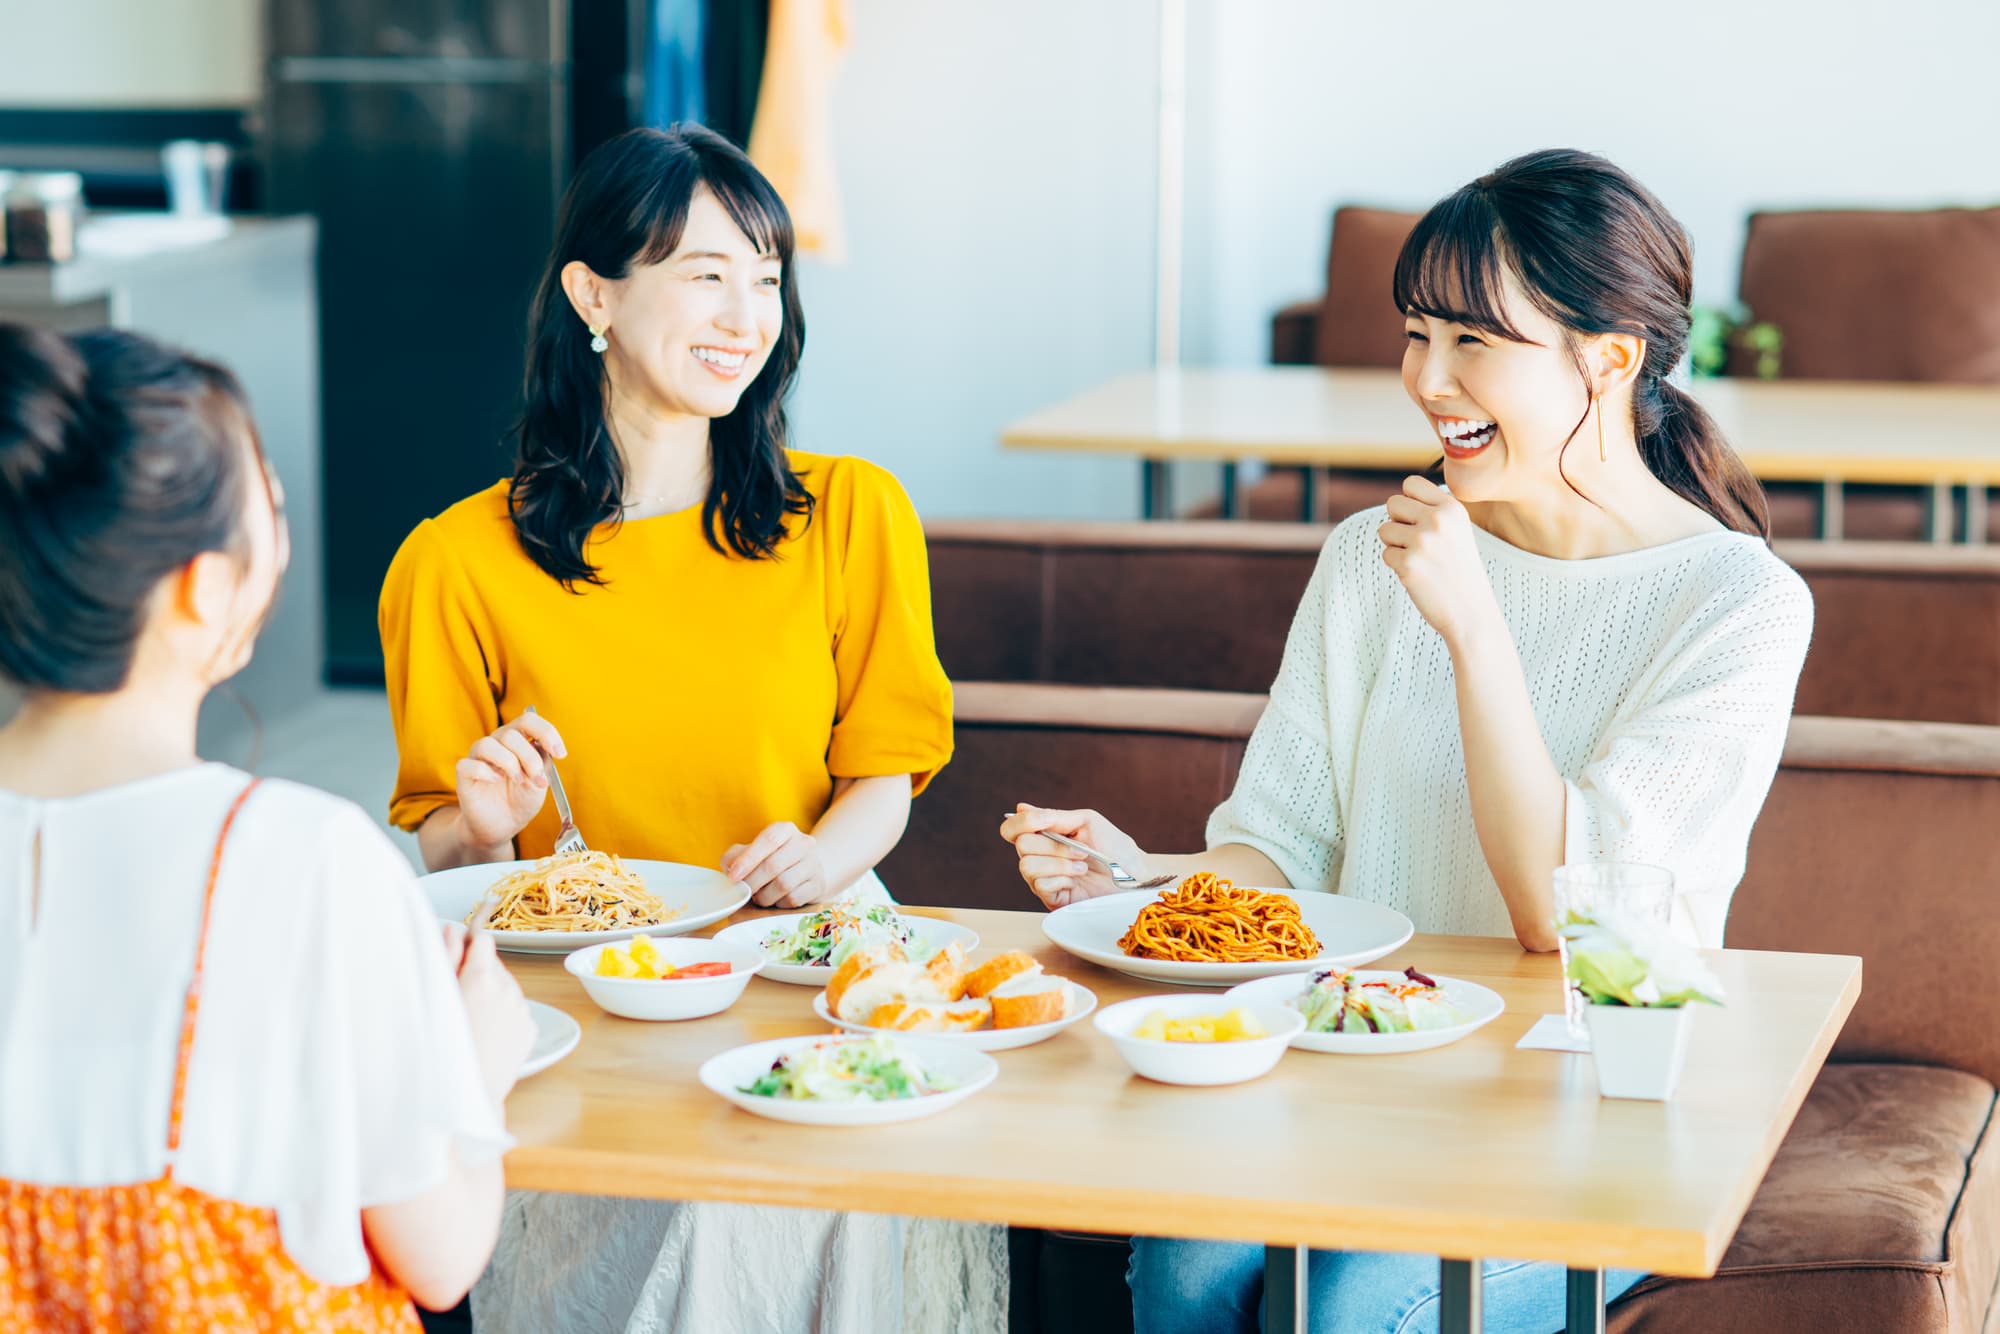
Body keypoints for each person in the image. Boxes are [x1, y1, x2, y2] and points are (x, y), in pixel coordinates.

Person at [1002, 149, 1815, 1333]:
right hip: (1350, 1072)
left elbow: (1566, 923)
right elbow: (1282, 842)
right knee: (1185, 1263)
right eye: (1414, 334)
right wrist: (1146, 883)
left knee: (1345, 1309)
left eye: (1472, 340)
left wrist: (1473, 629)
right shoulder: (1367, 555)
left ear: (1608, 358)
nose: (1426, 380)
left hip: (1591, 1110)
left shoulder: (1737, 604)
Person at [379, 125, 996, 1333]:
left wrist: (822, 858)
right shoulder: (453, 560)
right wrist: (488, 825)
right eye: (706, 274)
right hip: (587, 993)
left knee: (780, 1189)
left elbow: (885, 774)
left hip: (811, 958)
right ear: (593, 295)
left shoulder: (852, 513)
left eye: (765, 279)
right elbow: (447, 851)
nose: (745, 315)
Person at [0, 323, 531, 1329]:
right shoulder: (303, 857)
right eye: (273, 510)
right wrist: (481, 1061)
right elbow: (443, 1258)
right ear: (206, 588)